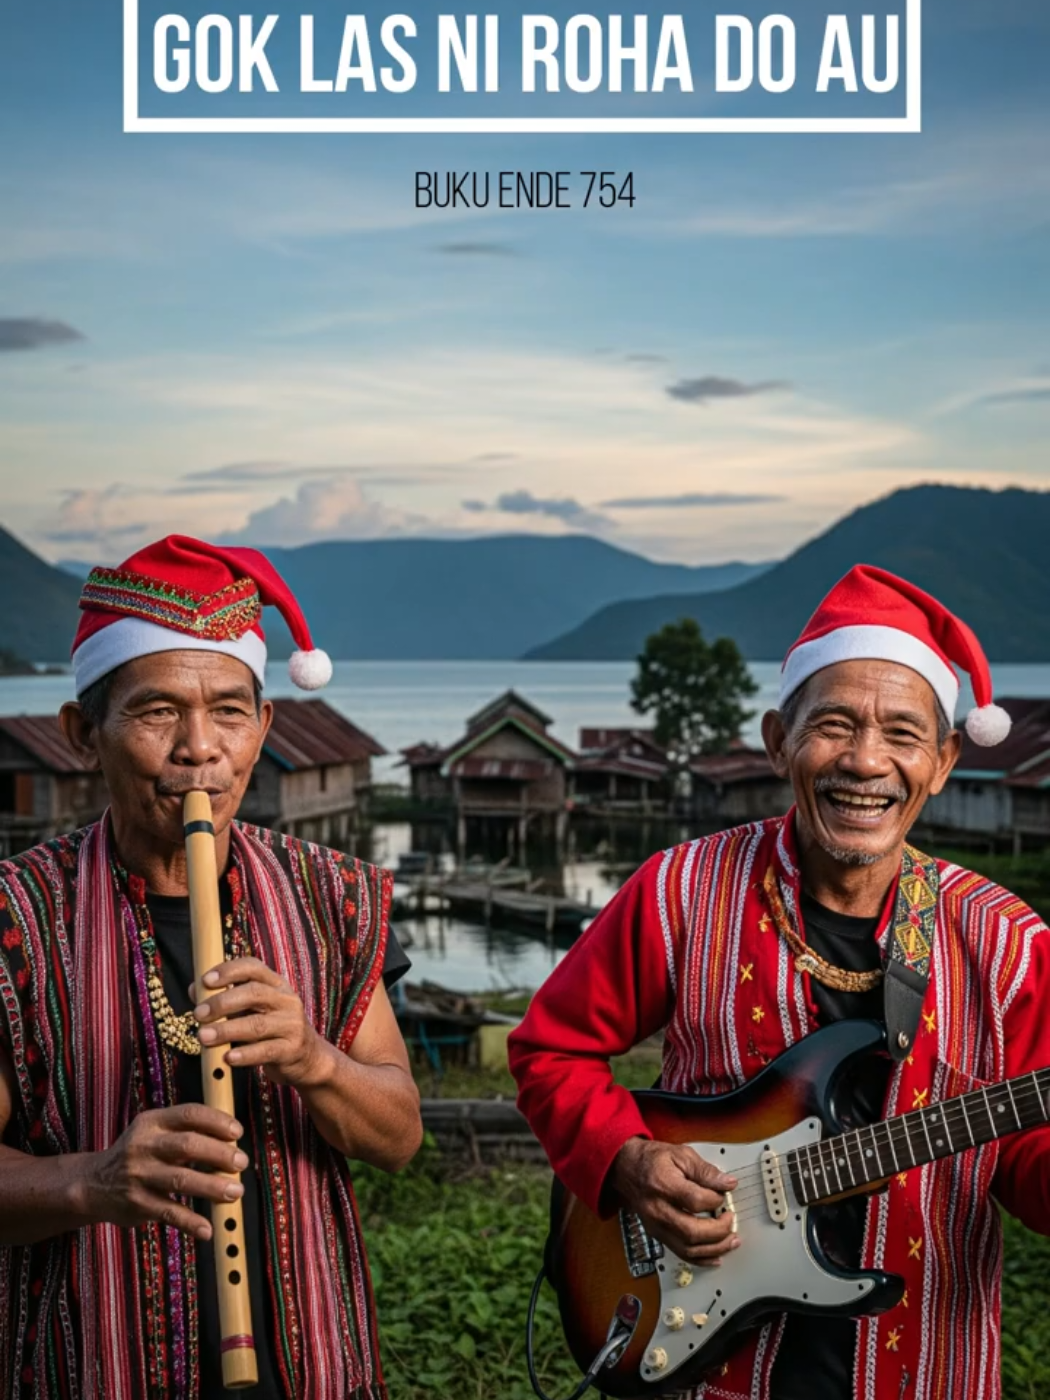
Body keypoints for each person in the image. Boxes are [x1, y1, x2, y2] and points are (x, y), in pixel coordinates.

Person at [509, 565, 1050, 1400]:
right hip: (708, 1358)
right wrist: (626, 1159)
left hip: (925, 1363)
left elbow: (1022, 1156)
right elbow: (549, 1051)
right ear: (776, 741)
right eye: (834, 724)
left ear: (943, 762)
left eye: (903, 736)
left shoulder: (1008, 945)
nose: (866, 762)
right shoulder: (677, 892)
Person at [0, 535, 423, 1399]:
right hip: (90, 1363)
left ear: (265, 727)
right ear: (85, 733)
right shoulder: (15, 919)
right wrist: (92, 1180)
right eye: (158, 713)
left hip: (313, 1366)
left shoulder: (330, 897)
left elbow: (399, 1136)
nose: (201, 749)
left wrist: (314, 1059)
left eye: (230, 712)